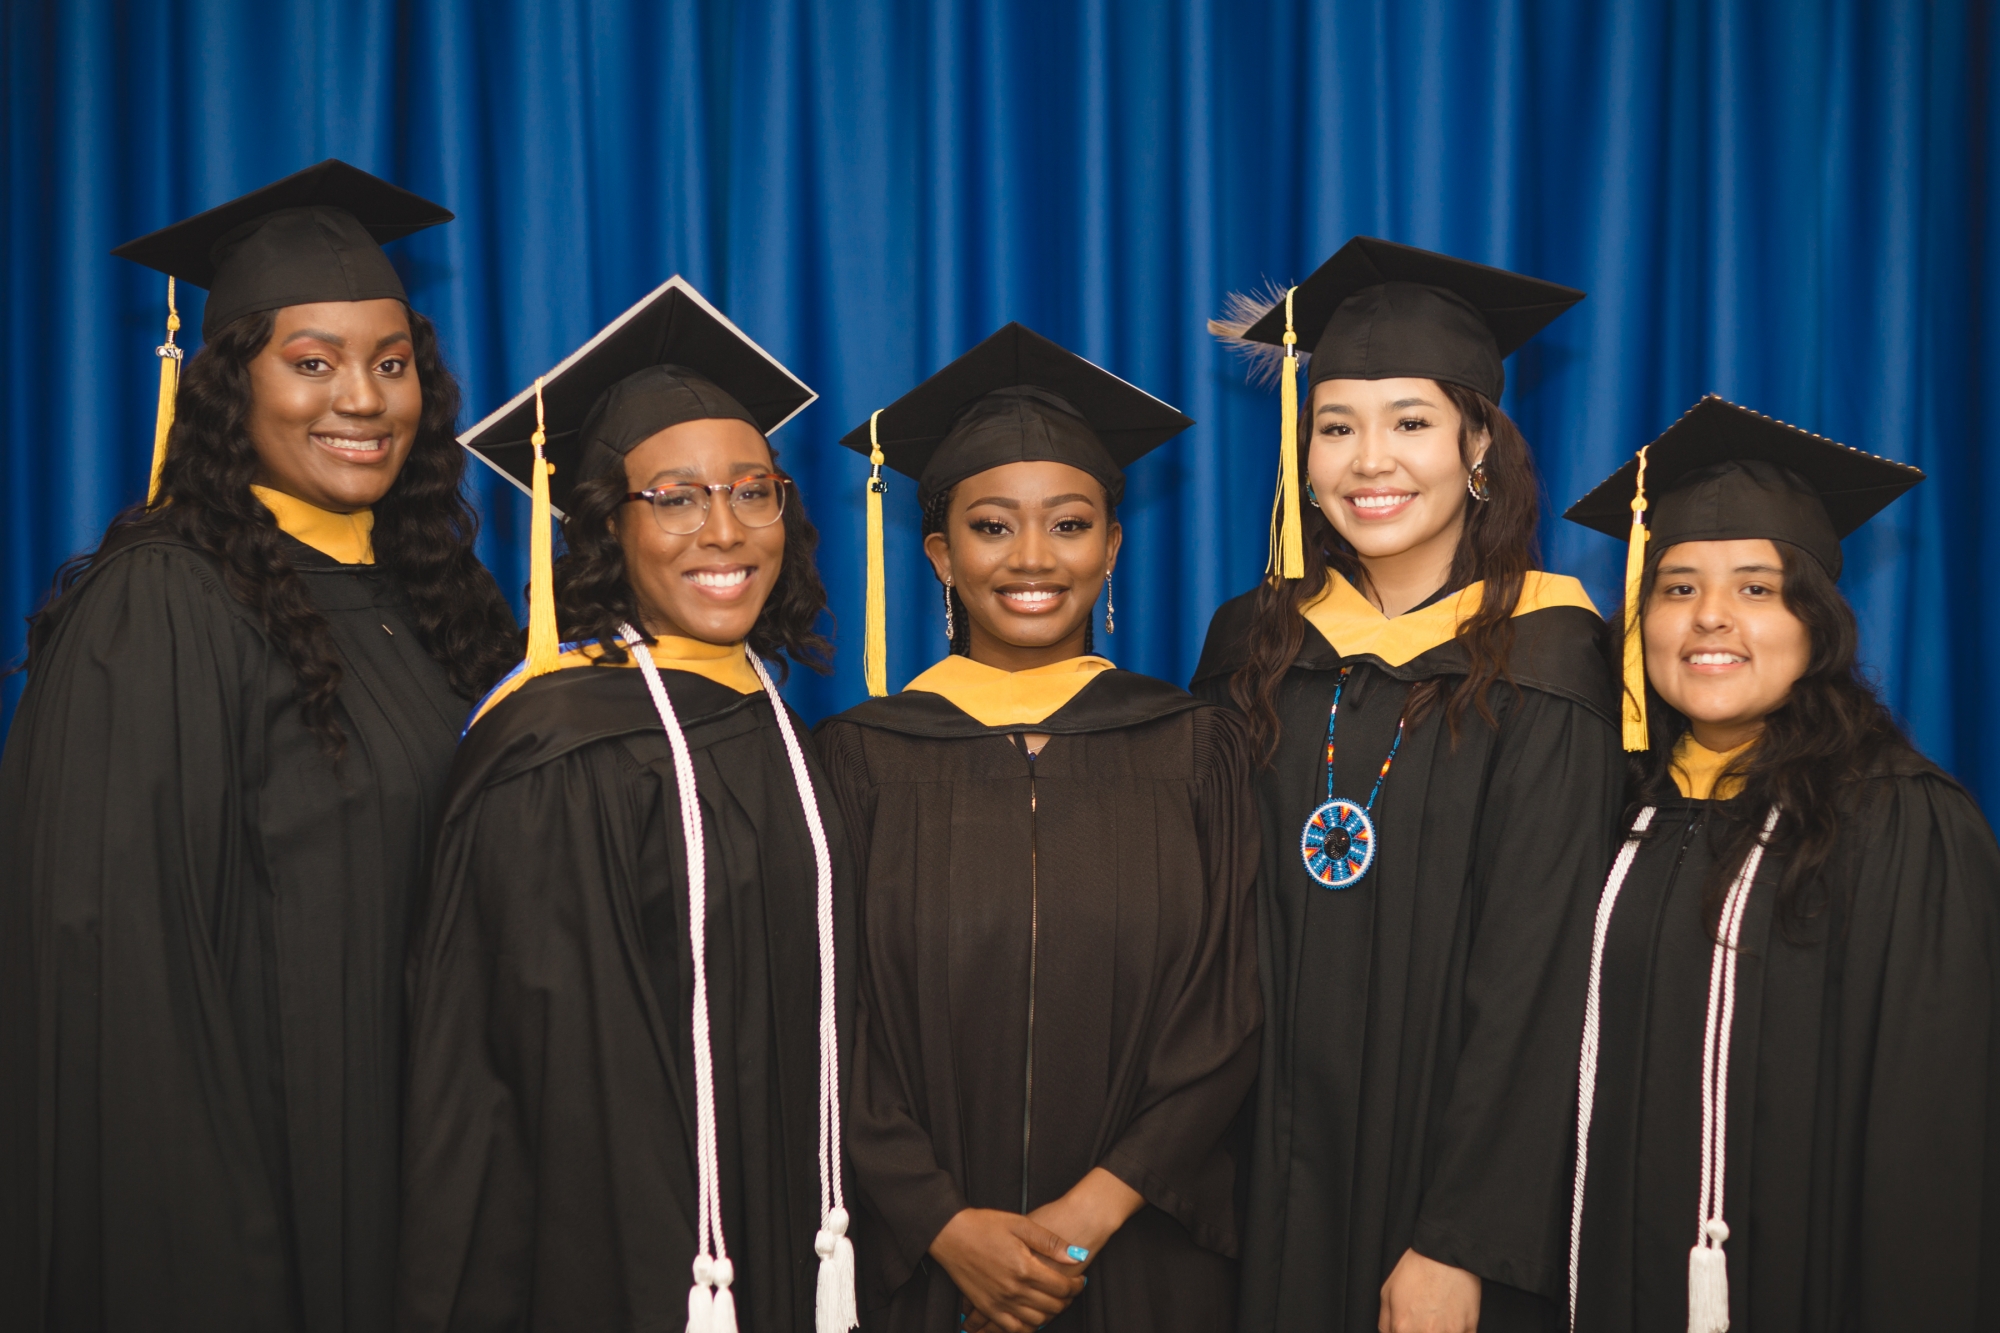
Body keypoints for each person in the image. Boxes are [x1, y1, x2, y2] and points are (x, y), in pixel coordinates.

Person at [0, 160, 518, 1332]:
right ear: (229, 384)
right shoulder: (163, 606)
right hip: (268, 1203)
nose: (363, 398)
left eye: (391, 364)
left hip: (434, 1186)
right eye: (313, 360)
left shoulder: (441, 603)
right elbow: (116, 980)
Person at [397, 276, 856, 1333]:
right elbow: (549, 1080)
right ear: (606, 525)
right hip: (636, 1256)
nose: (724, 528)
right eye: (677, 496)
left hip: (794, 1219)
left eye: (752, 490)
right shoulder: (558, 748)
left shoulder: (775, 722)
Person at [1194, 237, 1621, 1332]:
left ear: (1479, 441)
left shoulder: (1552, 657)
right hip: (1248, 1176)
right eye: (1334, 425)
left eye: (1411, 421)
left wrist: (1458, 1240)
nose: (1367, 460)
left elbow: (1544, 976)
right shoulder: (1250, 644)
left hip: (1440, 1182)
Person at [815, 323, 1262, 1333]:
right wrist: (942, 1223)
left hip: (1142, 1257)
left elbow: (1231, 1006)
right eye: (989, 526)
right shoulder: (855, 759)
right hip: (923, 1265)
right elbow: (827, 1017)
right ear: (938, 552)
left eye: (1067, 525)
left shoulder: (1196, 749)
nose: (1030, 559)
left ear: (1112, 543)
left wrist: (1086, 1215)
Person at [1559, 396, 2000, 1331]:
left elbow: (1933, 1150)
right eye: (1676, 587)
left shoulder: (1899, 822)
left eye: (1757, 589)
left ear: (1817, 622)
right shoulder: (1603, 806)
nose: (1709, 617)